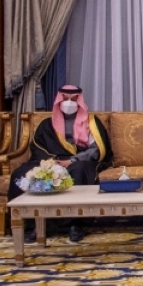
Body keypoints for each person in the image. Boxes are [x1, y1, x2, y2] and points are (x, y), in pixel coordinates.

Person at [8, 85, 114, 242]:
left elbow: (97, 149)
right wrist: (52, 163)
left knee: (79, 171)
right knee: (21, 174)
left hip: (78, 160)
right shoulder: (47, 124)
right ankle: (33, 224)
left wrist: (73, 160)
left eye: (73, 99)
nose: (69, 102)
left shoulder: (91, 122)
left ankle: (75, 224)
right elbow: (37, 147)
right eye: (65, 98)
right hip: (49, 159)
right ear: (59, 100)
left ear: (79, 100)